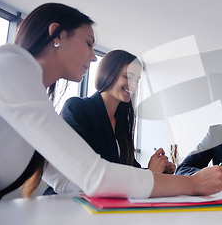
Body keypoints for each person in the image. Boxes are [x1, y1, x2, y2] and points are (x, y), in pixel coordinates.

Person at [0, 3, 222, 201]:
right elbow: (94, 176)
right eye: (89, 43)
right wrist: (191, 184)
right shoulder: (12, 66)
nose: (92, 56)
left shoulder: (31, 92)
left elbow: (66, 180)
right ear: (57, 34)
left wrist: (158, 177)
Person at [42, 50, 176, 194]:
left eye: (137, 80)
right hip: (69, 202)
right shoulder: (77, 108)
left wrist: (159, 171)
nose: (134, 86)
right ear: (108, 73)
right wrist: (150, 174)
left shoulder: (122, 122)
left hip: (104, 205)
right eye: (128, 77)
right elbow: (84, 171)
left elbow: (127, 169)